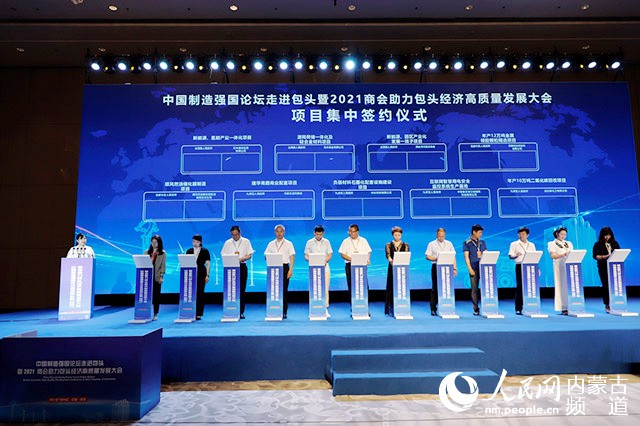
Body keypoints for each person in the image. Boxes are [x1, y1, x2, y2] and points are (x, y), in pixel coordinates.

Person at [221, 225, 254, 319]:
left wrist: (241, 258)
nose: (235, 237)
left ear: (240, 233)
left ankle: (241, 312)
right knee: (231, 290)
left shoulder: (246, 241)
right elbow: (223, 255)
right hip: (230, 267)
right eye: (233, 235)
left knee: (241, 290)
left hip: (242, 266)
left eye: (236, 234)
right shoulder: (227, 243)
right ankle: (230, 310)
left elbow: (250, 255)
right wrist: (231, 259)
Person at [264, 224, 295, 319]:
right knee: (273, 290)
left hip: (284, 267)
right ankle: (273, 310)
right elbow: (265, 255)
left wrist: (290, 270)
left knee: (284, 290)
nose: (279, 233)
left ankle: (284, 312)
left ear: (284, 232)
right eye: (277, 231)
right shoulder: (270, 244)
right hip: (273, 268)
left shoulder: (289, 243)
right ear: (275, 232)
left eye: (281, 231)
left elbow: (292, 257)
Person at [425, 228, 457, 316]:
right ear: (436, 235)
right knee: (435, 287)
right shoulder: (432, 244)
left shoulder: (449, 243)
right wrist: (437, 258)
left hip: (447, 267)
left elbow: (453, 256)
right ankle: (433, 309)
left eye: (442, 236)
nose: (441, 238)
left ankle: (448, 307)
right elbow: (427, 256)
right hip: (436, 266)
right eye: (439, 236)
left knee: (447, 287)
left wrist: (455, 268)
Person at [338, 224, 372, 306]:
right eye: (349, 231)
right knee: (352, 284)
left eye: (352, 231)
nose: (350, 233)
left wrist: (367, 259)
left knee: (363, 285)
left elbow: (368, 251)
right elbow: (342, 254)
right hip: (350, 265)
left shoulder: (363, 240)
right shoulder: (345, 241)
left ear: (357, 232)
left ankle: (364, 305)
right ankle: (354, 305)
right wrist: (353, 259)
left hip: (362, 265)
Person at [304, 225, 333, 316]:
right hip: (314, 269)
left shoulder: (327, 242)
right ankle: (314, 307)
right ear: (314, 233)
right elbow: (306, 256)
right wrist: (312, 260)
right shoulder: (309, 242)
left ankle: (325, 308)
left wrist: (325, 261)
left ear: (323, 233)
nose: (319, 236)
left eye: (320, 234)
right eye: (317, 234)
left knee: (325, 289)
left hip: (325, 269)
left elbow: (330, 254)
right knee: (314, 289)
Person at [508, 227, 536, 315]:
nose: (521, 236)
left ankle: (531, 306)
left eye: (523, 234)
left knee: (531, 287)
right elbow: (510, 256)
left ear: (527, 235)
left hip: (530, 266)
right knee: (520, 287)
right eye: (519, 234)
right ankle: (518, 308)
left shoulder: (531, 245)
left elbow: (535, 256)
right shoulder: (514, 244)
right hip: (520, 265)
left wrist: (537, 268)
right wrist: (516, 255)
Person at [592, 226, 620, 314]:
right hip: (603, 267)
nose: (606, 237)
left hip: (615, 268)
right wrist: (604, 257)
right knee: (606, 285)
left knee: (616, 285)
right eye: (605, 235)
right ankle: (607, 304)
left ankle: (617, 303)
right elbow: (595, 256)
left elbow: (619, 253)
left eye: (608, 235)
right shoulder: (597, 244)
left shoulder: (615, 243)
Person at [384, 226, 410, 316]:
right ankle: (390, 308)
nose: (397, 237)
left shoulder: (405, 245)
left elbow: (406, 255)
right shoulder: (388, 245)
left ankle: (403, 306)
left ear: (401, 235)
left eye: (399, 235)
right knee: (391, 286)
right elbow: (388, 256)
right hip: (392, 268)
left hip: (403, 268)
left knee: (402, 286)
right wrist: (393, 263)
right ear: (393, 235)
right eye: (395, 235)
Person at [547, 227, 573, 315]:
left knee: (569, 286)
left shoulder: (568, 243)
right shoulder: (552, 243)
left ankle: (571, 305)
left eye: (565, 235)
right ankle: (563, 307)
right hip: (559, 266)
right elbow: (553, 256)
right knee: (561, 286)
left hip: (569, 266)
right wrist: (563, 255)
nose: (563, 236)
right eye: (562, 234)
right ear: (557, 234)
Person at [463, 224, 487, 316]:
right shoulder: (467, 243)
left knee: (486, 288)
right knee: (474, 289)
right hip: (473, 267)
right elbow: (466, 257)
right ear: (474, 232)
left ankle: (487, 306)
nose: (481, 234)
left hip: (483, 267)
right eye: (479, 232)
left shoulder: (482, 242)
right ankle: (476, 308)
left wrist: (483, 255)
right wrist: (470, 269)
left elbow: (487, 254)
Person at [186, 234, 211, 320]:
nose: (195, 243)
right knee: (191, 293)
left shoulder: (205, 251)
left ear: (200, 242)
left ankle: (199, 313)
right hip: (190, 273)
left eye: (197, 242)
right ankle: (190, 311)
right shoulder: (189, 251)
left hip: (201, 273)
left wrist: (207, 275)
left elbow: (208, 264)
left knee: (200, 293)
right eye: (193, 241)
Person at [144, 234, 166, 321]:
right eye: (152, 242)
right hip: (147, 277)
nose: (154, 244)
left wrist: (161, 276)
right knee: (146, 296)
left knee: (156, 296)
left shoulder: (162, 253)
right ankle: (145, 313)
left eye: (155, 242)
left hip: (156, 277)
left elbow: (163, 266)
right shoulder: (147, 252)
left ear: (159, 243)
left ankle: (155, 313)